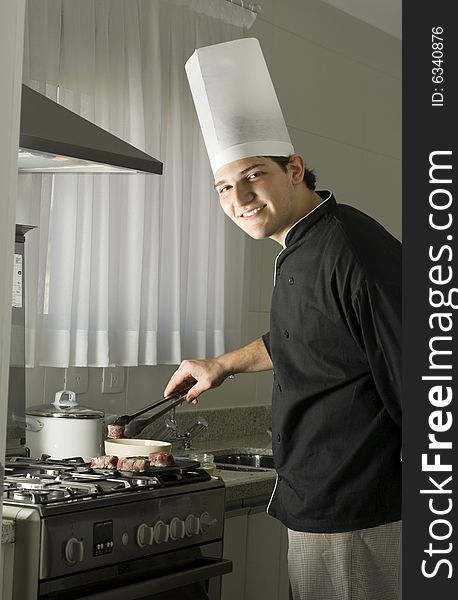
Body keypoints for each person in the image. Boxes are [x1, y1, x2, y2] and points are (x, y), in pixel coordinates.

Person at [165, 38, 402, 600]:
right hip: (319, 500)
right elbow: (312, 337)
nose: (239, 197)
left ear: (294, 168)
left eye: (254, 175)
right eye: (225, 186)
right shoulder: (302, 246)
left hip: (360, 508)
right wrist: (220, 365)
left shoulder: (352, 249)